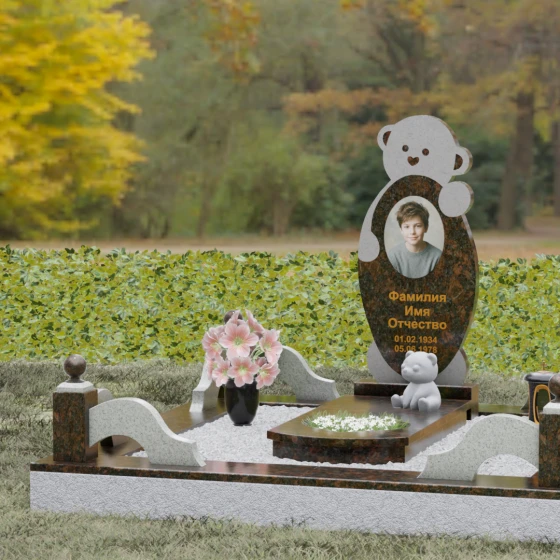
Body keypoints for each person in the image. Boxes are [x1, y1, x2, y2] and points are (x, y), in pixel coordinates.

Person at [387, 201, 442, 278]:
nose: (412, 232)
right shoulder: (393, 256)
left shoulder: (437, 257)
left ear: (426, 228)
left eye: (418, 226)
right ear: (401, 230)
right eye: (407, 227)